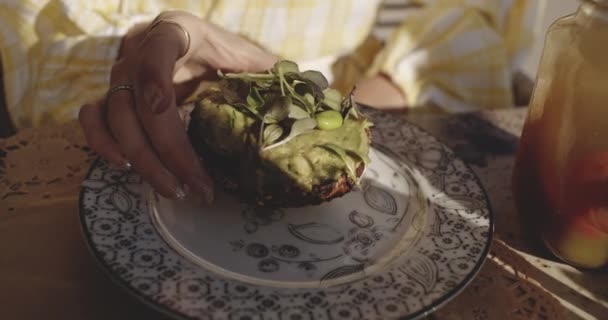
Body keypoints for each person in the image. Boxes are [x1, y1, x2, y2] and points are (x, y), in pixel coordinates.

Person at [0, 0, 540, 201]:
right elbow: (33, 25)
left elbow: (476, 21)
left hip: (349, 105)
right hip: (156, 131)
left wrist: (343, 122)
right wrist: (137, 47)